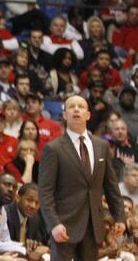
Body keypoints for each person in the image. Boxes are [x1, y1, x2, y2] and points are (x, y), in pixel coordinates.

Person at [38, 95, 126, 260]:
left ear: (88, 115)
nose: (76, 109)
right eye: (71, 107)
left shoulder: (102, 146)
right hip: (63, 224)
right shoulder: (53, 148)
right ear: (64, 115)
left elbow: (111, 186)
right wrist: (54, 224)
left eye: (81, 106)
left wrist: (119, 217)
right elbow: (45, 192)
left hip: (93, 224)